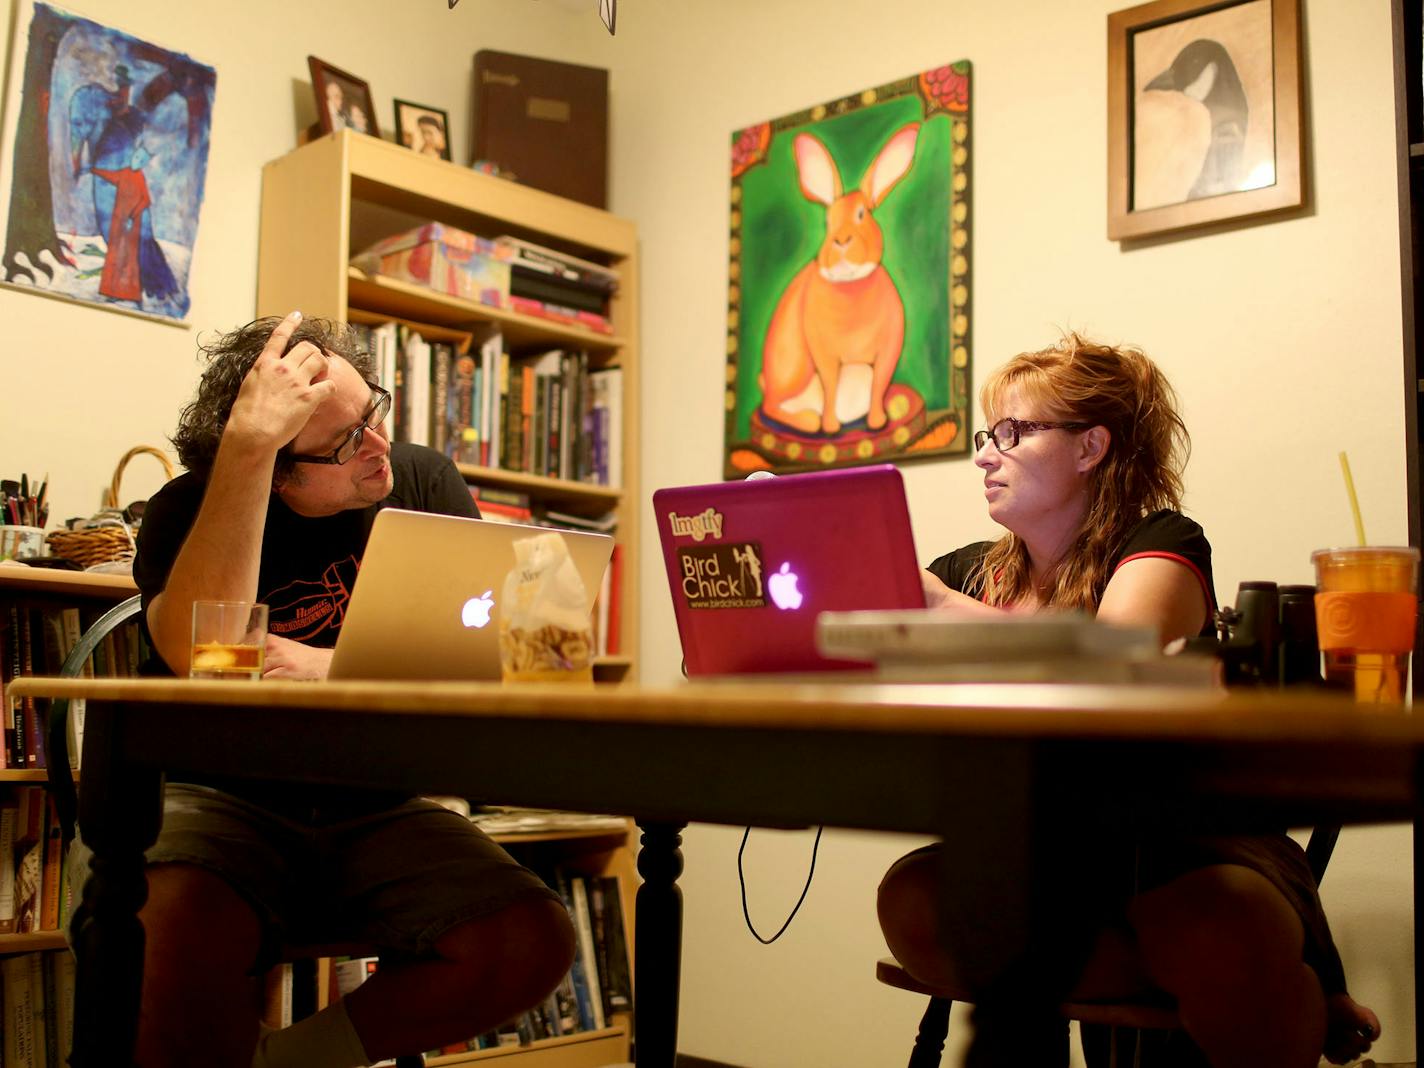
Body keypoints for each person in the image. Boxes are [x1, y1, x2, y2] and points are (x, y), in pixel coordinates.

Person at [69, 312, 575, 1068]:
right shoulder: (190, 508)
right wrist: (245, 456)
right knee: (165, 931)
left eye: (373, 410)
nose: (377, 447)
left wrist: (325, 665)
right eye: (342, 444)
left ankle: (294, 1062)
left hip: (377, 807)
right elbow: (205, 656)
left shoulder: (423, 478)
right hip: (216, 800)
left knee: (531, 938)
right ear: (276, 468)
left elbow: (543, 651)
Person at [876, 333, 1379, 1068]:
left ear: (1090, 448)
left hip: (1174, 840)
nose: (984, 454)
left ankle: (1249, 973)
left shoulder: (1160, 541)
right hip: (1034, 845)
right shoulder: (971, 574)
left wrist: (931, 607)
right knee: (915, 898)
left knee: (1206, 924)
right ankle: (1265, 975)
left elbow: (1115, 657)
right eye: (988, 434)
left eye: (1011, 433)